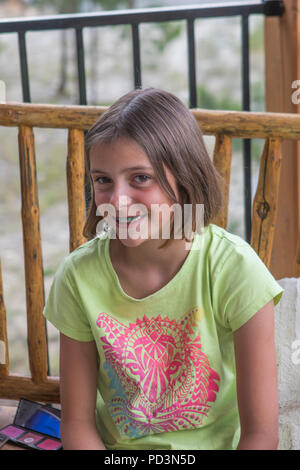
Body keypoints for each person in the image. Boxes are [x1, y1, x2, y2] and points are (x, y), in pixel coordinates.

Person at [43, 87, 284, 450]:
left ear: (185, 179)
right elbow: (77, 423)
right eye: (103, 180)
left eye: (141, 178)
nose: (118, 202)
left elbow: (261, 434)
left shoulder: (234, 268)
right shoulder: (78, 277)